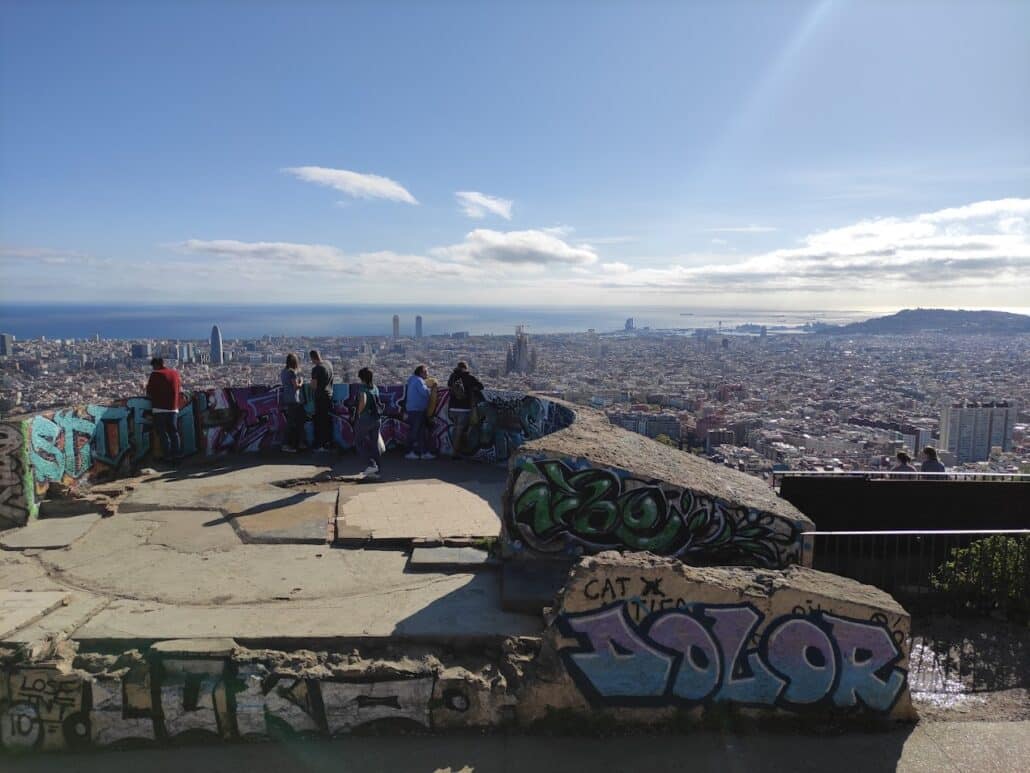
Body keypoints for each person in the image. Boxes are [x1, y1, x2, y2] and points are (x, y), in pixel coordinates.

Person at [145, 357, 182, 462]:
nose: (153, 368)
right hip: (173, 408)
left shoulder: (155, 374)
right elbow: (179, 388)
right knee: (174, 433)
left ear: (156, 365)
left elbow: (149, 391)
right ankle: (177, 455)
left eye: (153, 366)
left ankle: (168, 456)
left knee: (163, 434)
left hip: (159, 408)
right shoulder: (175, 373)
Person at [447, 360, 484, 459]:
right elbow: (481, 386)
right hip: (463, 409)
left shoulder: (452, 376)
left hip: (452, 408)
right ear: (465, 368)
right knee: (461, 431)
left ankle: (454, 450)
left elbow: (448, 386)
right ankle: (454, 453)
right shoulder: (469, 377)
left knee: (456, 429)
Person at [355, 367, 383, 478]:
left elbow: (363, 400)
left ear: (361, 377)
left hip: (365, 419)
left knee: (358, 442)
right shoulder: (375, 388)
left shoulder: (362, 388)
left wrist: (359, 412)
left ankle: (371, 464)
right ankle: (377, 470)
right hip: (376, 418)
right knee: (374, 444)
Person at [404, 365, 435, 460]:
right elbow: (425, 393)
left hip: (414, 409)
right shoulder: (419, 381)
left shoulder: (412, 379)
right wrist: (432, 388)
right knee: (415, 431)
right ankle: (410, 451)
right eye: (426, 372)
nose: (427, 374)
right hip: (417, 409)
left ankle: (422, 452)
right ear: (421, 372)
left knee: (420, 431)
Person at [309, 350, 334, 452]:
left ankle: (320, 445)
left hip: (320, 397)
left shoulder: (316, 369)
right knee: (327, 421)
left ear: (312, 358)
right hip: (329, 396)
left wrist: (310, 384)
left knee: (319, 421)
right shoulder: (329, 364)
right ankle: (327, 443)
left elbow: (314, 386)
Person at [280, 353, 305, 453]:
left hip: (286, 398)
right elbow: (296, 387)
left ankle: (296, 443)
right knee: (293, 423)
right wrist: (301, 381)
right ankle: (287, 444)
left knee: (292, 422)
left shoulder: (283, 372)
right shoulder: (292, 373)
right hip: (294, 400)